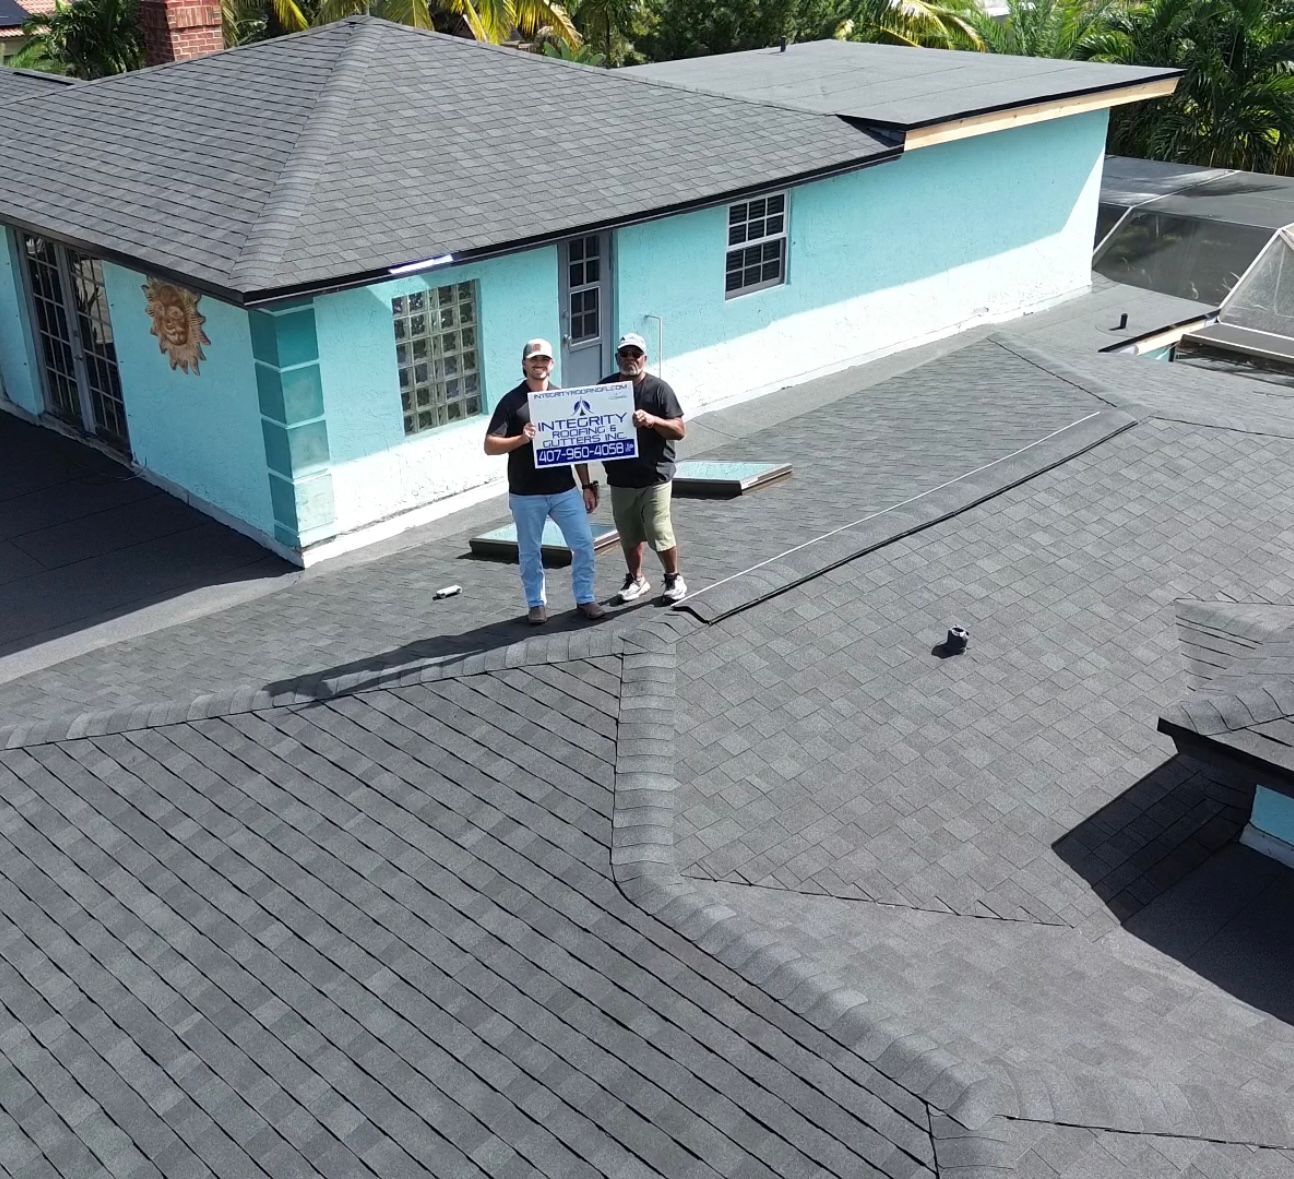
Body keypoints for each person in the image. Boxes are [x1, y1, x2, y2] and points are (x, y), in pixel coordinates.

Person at [485, 339, 606, 625]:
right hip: (526, 493)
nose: (539, 364)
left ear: (552, 364)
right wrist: (521, 439)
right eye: (534, 360)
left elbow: (577, 447)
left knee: (584, 543)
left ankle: (585, 598)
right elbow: (490, 445)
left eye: (544, 360)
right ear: (524, 364)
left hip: (564, 490)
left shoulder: (562, 398)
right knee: (530, 552)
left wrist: (586, 486)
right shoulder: (511, 401)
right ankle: (536, 604)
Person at [601, 332, 687, 604]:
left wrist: (653, 420)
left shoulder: (660, 389)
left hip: (655, 475)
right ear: (617, 358)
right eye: (624, 354)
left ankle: (673, 577)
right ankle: (636, 579)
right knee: (628, 533)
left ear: (644, 358)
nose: (630, 359)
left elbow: (679, 430)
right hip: (620, 477)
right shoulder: (604, 389)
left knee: (658, 528)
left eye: (635, 354)